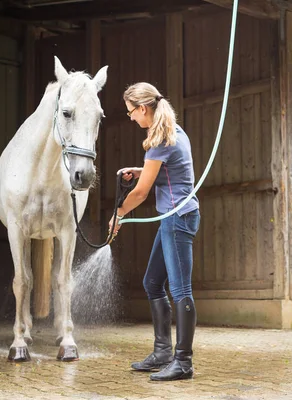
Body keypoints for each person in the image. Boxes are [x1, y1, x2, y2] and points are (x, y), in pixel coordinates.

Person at [109, 82, 200, 381]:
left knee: (181, 290)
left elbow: (141, 192)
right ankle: (163, 352)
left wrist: (118, 215)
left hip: (178, 219)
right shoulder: (173, 131)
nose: (131, 118)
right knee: (152, 282)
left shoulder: (160, 139)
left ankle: (183, 362)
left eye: (131, 112)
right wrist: (140, 168)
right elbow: (165, 170)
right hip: (172, 219)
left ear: (143, 108)